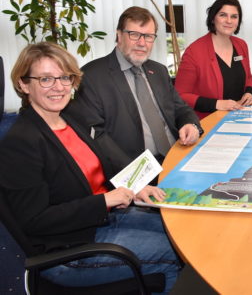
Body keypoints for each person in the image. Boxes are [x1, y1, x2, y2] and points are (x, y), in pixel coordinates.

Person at [0, 43, 181, 292]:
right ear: (23, 84)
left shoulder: (70, 116)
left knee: (178, 232)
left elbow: (102, 163)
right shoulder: (21, 142)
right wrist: (104, 201)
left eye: (65, 77)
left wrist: (134, 186)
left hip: (99, 219)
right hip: (69, 249)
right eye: (45, 79)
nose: (59, 87)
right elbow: (35, 220)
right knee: (171, 253)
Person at [72, 6, 203, 164]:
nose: (142, 43)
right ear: (119, 35)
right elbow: (95, 136)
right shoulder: (93, 76)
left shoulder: (158, 70)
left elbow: (180, 109)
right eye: (134, 34)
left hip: (177, 155)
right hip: (134, 169)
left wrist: (191, 125)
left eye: (148, 36)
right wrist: (132, 175)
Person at [175, 0, 252, 119]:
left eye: (234, 16)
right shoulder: (194, 52)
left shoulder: (241, 45)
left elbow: (248, 77)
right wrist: (217, 104)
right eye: (223, 15)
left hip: (240, 116)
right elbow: (181, 95)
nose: (229, 21)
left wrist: (250, 92)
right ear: (213, 18)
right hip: (209, 121)